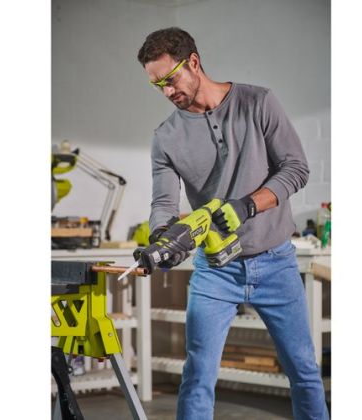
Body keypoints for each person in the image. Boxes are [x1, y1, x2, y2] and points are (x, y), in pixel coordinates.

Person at [137, 27, 329, 420]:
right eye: (157, 85)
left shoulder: (258, 102)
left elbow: (296, 168)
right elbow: (164, 203)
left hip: (276, 261)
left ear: (193, 62)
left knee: (304, 372)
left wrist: (248, 206)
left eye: (169, 79)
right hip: (215, 270)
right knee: (197, 376)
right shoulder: (166, 137)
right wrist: (162, 239)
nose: (166, 92)